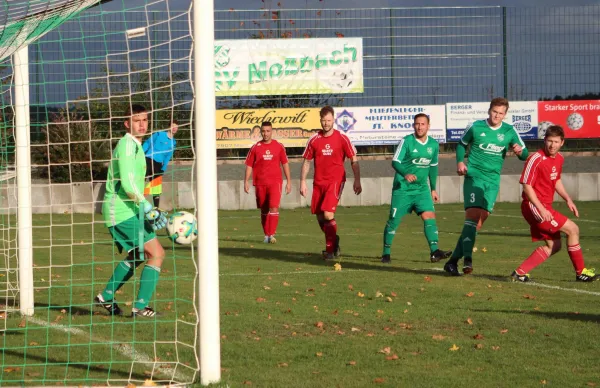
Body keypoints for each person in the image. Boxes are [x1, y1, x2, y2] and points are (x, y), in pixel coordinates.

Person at [95, 104, 167, 318]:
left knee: (138, 254)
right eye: (137, 120)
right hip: (121, 209)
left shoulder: (135, 146)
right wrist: (147, 208)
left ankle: (106, 297)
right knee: (157, 253)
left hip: (129, 208)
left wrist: (145, 208)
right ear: (127, 124)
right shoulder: (127, 145)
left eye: (145, 120)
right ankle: (140, 307)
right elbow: (127, 184)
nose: (142, 124)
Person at [444, 97, 529, 276]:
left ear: (505, 115)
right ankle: (468, 259)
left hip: (493, 181)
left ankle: (452, 262)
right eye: (494, 112)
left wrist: (520, 152)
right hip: (474, 177)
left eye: (501, 113)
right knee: (473, 215)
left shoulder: (509, 131)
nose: (497, 116)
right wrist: (460, 162)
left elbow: (525, 154)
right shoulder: (476, 126)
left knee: (478, 222)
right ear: (489, 111)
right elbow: (461, 145)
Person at [511, 125, 596, 282]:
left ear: (562, 142)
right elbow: (526, 185)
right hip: (534, 206)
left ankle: (520, 273)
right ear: (545, 140)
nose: (552, 145)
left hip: (544, 207)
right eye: (549, 141)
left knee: (554, 246)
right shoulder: (535, 158)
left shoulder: (559, 159)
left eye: (556, 142)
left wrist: (568, 199)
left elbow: (555, 180)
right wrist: (541, 208)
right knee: (573, 229)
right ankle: (580, 272)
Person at [381, 113, 452, 264]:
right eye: (417, 124)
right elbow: (395, 162)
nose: (419, 127)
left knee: (429, 216)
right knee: (394, 220)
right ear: (414, 125)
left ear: (428, 126)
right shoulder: (407, 141)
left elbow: (433, 167)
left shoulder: (433, 144)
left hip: (421, 189)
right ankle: (386, 252)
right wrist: (405, 174)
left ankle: (435, 252)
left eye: (422, 124)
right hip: (403, 189)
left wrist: (433, 189)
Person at [300, 105, 362, 260]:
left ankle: (330, 251)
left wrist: (357, 180)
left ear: (333, 119)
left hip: (335, 181)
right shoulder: (314, 139)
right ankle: (334, 240)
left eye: (329, 120)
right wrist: (302, 182)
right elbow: (307, 162)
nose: (326, 123)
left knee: (328, 214)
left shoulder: (342, 138)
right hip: (318, 182)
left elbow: (353, 160)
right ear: (320, 120)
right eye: (323, 120)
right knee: (320, 218)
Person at [244, 121, 292, 243]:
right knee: (264, 209)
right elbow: (249, 165)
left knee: (274, 207)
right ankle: (267, 235)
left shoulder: (279, 146)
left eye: (268, 131)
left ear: (272, 131)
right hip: (260, 183)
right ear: (261, 132)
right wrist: (246, 181)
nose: (265, 134)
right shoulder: (255, 148)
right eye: (263, 131)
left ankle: (271, 234)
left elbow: (285, 163)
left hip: (275, 182)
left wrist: (289, 181)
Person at [143, 120, 178, 207]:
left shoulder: (173, 142)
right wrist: (140, 155)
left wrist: (163, 168)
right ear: (169, 127)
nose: (174, 128)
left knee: (156, 188)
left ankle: (156, 209)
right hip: (148, 160)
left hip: (158, 165)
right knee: (141, 182)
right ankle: (136, 204)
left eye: (176, 126)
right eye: (173, 125)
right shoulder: (159, 134)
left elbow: (168, 156)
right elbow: (147, 143)